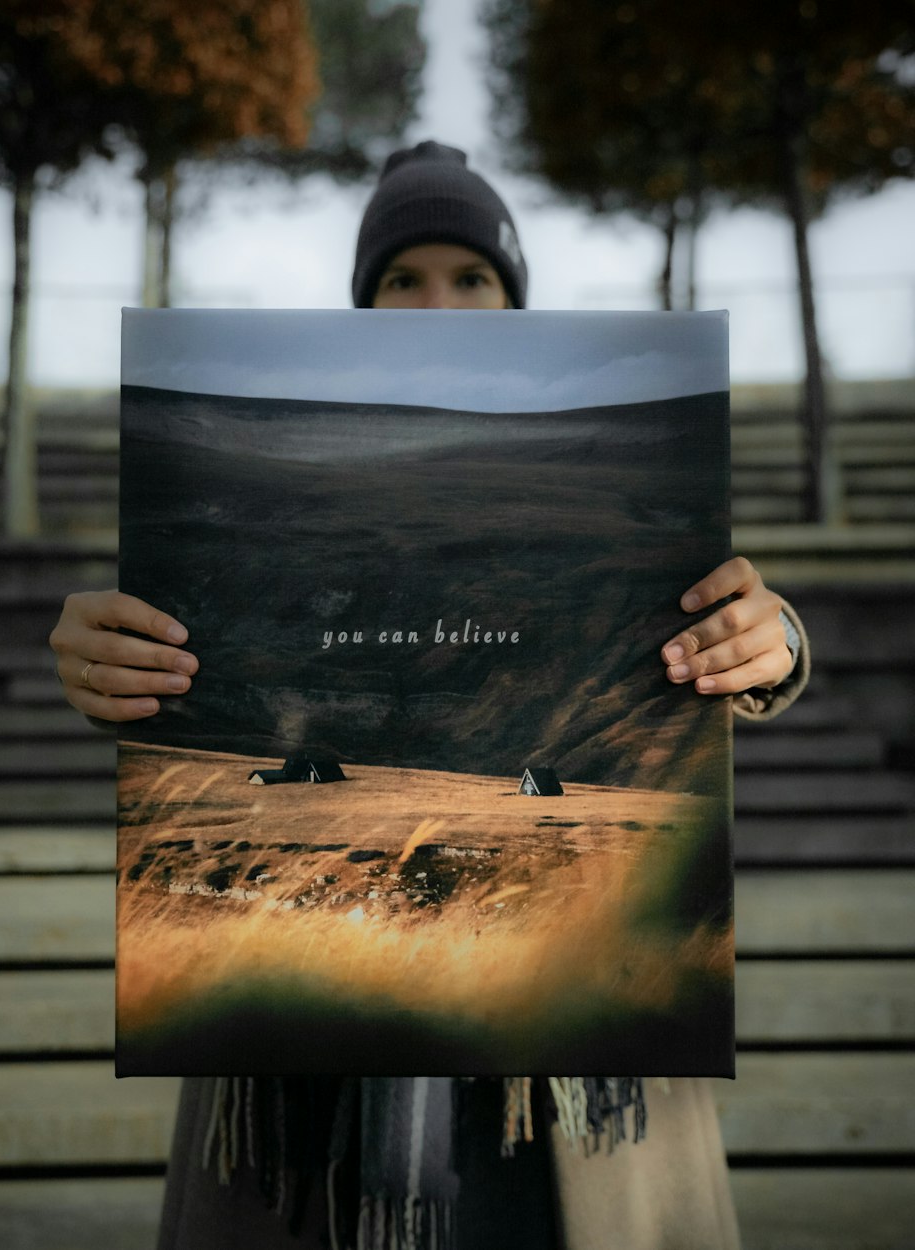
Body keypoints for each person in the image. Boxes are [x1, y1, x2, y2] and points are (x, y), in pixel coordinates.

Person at [51, 141, 810, 1249]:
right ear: (360, 305)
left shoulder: (619, 493)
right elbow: (184, 688)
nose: (436, 302)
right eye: (401, 278)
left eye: (472, 277)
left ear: (515, 301)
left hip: (579, 1105)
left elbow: (726, 633)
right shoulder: (250, 496)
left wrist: (775, 642)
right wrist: (103, 664)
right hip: (300, 1094)